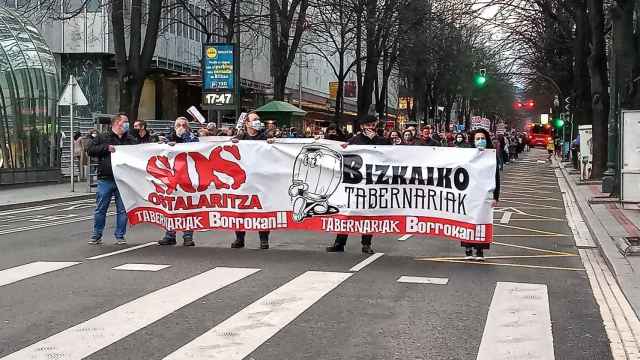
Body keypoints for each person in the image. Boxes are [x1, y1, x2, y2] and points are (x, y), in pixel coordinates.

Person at [326, 115, 390, 254]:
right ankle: (339, 243)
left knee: (368, 213)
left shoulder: (382, 140)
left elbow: (390, 155)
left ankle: (366, 244)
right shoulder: (354, 140)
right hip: (354, 183)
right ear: (362, 127)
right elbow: (341, 150)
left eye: (373, 124)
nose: (371, 127)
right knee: (348, 212)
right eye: (368, 125)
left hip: (372, 183)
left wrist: (374, 141)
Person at [86, 114, 136, 245]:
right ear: (117, 123)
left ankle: (120, 235)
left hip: (123, 180)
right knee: (101, 208)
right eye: (125, 121)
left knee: (123, 209)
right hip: (106, 178)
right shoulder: (103, 137)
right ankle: (97, 235)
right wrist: (106, 148)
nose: (127, 124)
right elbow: (90, 150)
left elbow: (140, 151)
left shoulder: (129, 139)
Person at [231, 112, 273, 250]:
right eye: (255, 119)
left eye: (259, 119)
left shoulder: (265, 137)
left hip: (261, 178)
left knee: (262, 208)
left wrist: (272, 144)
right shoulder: (240, 137)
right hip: (243, 179)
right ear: (247, 123)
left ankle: (264, 239)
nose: (258, 121)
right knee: (240, 208)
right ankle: (239, 238)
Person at [158, 117, 199, 247]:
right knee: (171, 206)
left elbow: (196, 146)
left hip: (188, 176)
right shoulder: (169, 137)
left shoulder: (192, 137)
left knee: (188, 207)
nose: (181, 127)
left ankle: (188, 236)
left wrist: (185, 135)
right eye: (178, 125)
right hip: (173, 177)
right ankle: (170, 235)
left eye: (184, 125)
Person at [461, 128, 500, 261]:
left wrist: (496, 196)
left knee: (482, 221)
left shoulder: (491, 156)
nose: (480, 141)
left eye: (482, 138)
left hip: (485, 195)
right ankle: (468, 248)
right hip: (469, 193)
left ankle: (479, 249)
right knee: (468, 220)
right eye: (477, 139)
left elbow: (496, 177)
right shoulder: (467, 154)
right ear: (473, 141)